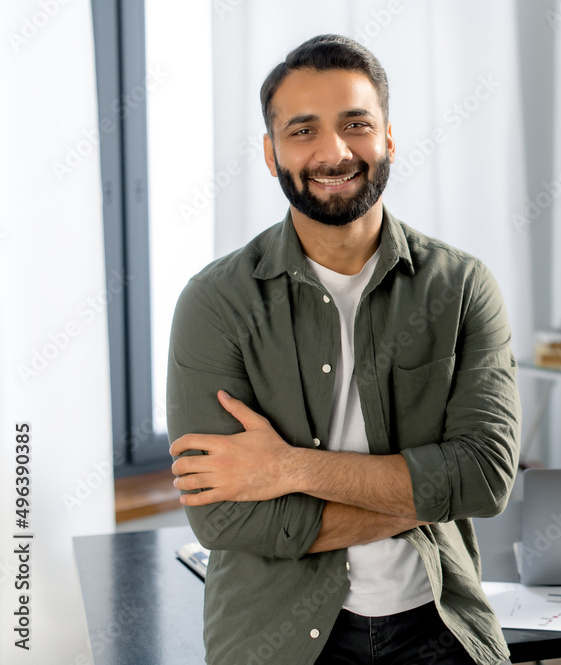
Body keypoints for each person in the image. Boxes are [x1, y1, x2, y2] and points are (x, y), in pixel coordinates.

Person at [167, 34, 519, 665]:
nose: (334, 151)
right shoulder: (215, 302)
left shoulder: (462, 287)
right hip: (274, 638)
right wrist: (420, 496)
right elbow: (221, 519)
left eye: (356, 124)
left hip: (440, 625)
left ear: (388, 137)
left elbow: (484, 478)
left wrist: (288, 469)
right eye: (303, 130)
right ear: (271, 155)